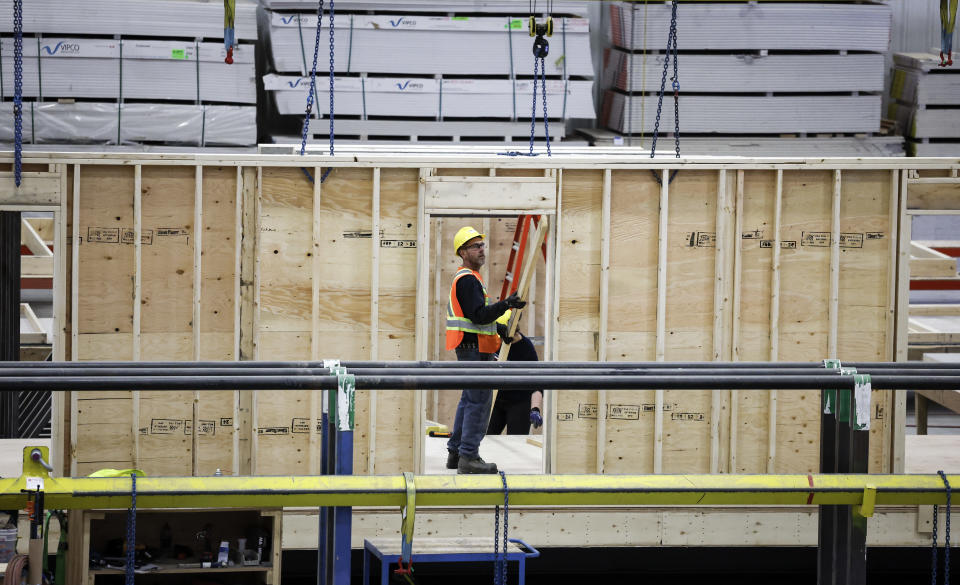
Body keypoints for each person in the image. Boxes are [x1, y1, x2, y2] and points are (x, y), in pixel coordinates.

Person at [445, 226, 526, 474]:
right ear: (462, 252)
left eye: (482, 245)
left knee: (469, 400)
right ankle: (469, 457)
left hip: (472, 346)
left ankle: (457, 452)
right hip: (473, 348)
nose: (481, 250)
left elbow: (479, 318)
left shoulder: (471, 279)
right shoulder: (468, 280)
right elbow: (479, 316)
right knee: (478, 402)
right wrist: (506, 305)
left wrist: (500, 327)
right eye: (474, 246)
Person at [487, 311, 543, 435]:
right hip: (495, 400)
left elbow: (537, 382)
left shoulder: (526, 347)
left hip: (519, 402)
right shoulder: (493, 343)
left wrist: (535, 409)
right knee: (486, 439)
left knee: (517, 441)